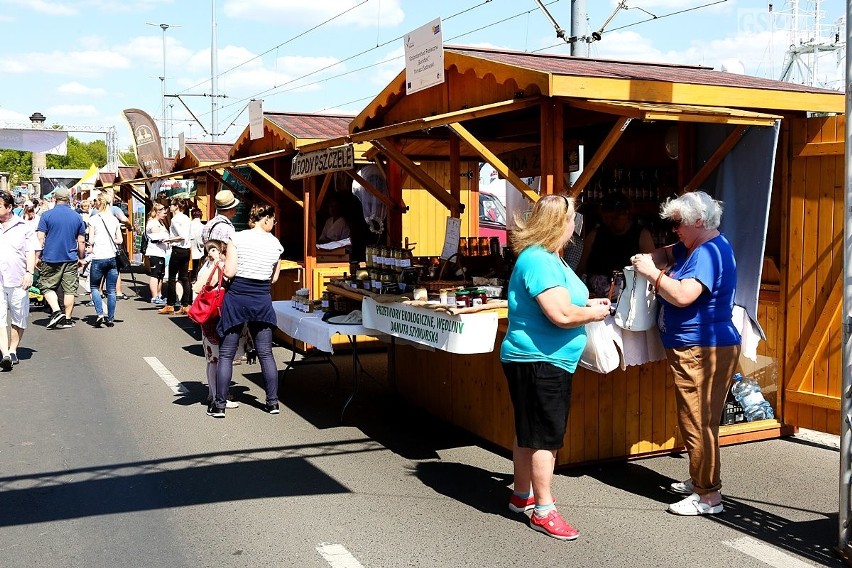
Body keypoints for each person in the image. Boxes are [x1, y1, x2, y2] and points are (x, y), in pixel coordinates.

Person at [500, 194, 610, 540]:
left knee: (528, 431)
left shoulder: (549, 258)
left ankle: (522, 495)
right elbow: (561, 314)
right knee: (545, 437)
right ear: (558, 223)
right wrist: (593, 313)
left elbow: (565, 302)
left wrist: (588, 303)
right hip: (540, 361)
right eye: (572, 218)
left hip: (537, 359)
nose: (575, 224)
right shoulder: (539, 260)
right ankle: (543, 509)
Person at [630, 190, 740, 516]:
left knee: (697, 421)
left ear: (697, 221)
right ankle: (701, 481)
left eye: (678, 223)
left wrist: (651, 274)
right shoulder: (698, 245)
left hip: (700, 348)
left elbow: (682, 295)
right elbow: (666, 252)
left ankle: (708, 496)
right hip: (700, 346)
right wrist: (651, 259)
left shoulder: (706, 252)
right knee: (698, 418)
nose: (674, 229)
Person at [210, 204, 283, 418]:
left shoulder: (238, 239)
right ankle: (272, 402)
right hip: (261, 298)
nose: (274, 224)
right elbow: (274, 278)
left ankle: (220, 405)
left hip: (237, 297)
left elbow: (231, 271)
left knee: (226, 354)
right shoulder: (276, 245)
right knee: (265, 353)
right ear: (266, 218)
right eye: (274, 220)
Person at [194, 240, 248, 412]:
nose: (211, 253)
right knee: (219, 358)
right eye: (209, 250)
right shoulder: (217, 267)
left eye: (214, 249)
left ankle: (214, 392)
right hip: (218, 316)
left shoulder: (211, 266)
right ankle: (218, 395)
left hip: (212, 316)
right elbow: (197, 287)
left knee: (214, 359)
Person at [577, 192, 655, 298]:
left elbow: (651, 268)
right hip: (596, 295)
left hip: (628, 294)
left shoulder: (642, 235)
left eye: (614, 219)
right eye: (606, 218)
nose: (609, 222)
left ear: (626, 215)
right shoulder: (594, 234)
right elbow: (581, 267)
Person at [36, 187, 87, 330]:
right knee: (69, 289)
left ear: (54, 199)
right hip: (70, 257)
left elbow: (40, 238)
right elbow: (81, 241)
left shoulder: (47, 216)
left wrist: (36, 256)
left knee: (45, 285)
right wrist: (81, 257)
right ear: (68, 200)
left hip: (50, 257)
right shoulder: (77, 216)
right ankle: (68, 319)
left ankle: (57, 311)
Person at [0, 190, 38, 369]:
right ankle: (5, 354)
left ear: (9, 207)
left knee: (19, 317)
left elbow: (31, 251)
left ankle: (13, 349)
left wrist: (29, 272)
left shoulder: (24, 227)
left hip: (18, 280)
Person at [86, 193, 123, 327]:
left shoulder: (93, 220)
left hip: (98, 257)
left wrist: (92, 243)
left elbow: (90, 240)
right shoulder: (114, 220)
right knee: (111, 290)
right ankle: (111, 318)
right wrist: (112, 240)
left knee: (94, 287)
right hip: (112, 257)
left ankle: (100, 313)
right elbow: (120, 240)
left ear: (99, 203)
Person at [159, 197, 192, 315]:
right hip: (187, 250)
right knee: (184, 277)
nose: (170, 207)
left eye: (171, 205)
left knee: (172, 278)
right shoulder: (187, 218)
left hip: (177, 249)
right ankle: (186, 305)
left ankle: (170, 304)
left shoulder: (175, 219)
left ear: (176, 207)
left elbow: (181, 235)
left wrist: (168, 239)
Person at [144, 204, 170, 304]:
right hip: (154, 251)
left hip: (162, 252)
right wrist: (165, 237)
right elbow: (157, 236)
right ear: (157, 212)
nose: (165, 214)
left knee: (161, 275)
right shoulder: (153, 223)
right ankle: (154, 296)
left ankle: (159, 295)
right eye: (164, 212)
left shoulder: (160, 222)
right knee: (155, 274)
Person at [189, 207, 205, 284]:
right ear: (201, 216)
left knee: (188, 272)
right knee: (197, 271)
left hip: (189, 252)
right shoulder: (203, 227)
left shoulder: (188, 225)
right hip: (200, 253)